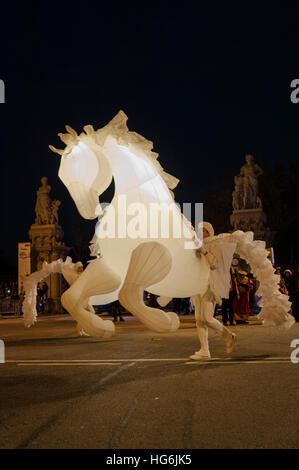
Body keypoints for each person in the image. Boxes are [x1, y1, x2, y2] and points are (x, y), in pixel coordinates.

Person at [190, 221, 237, 360]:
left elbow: (215, 264)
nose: (201, 233)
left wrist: (203, 250)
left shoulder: (215, 245)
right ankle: (204, 350)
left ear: (210, 232)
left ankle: (229, 336)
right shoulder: (195, 246)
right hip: (198, 285)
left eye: (204, 231)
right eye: (200, 231)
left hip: (210, 286)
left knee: (207, 318)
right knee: (199, 320)